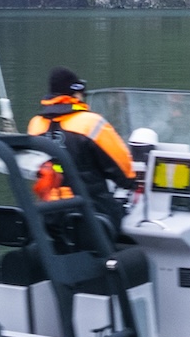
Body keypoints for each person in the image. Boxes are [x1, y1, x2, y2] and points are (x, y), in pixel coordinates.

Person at [26, 67, 135, 229]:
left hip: (48, 213)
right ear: (75, 94)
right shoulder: (90, 123)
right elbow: (124, 172)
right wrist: (132, 183)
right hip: (91, 211)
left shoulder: (35, 124)